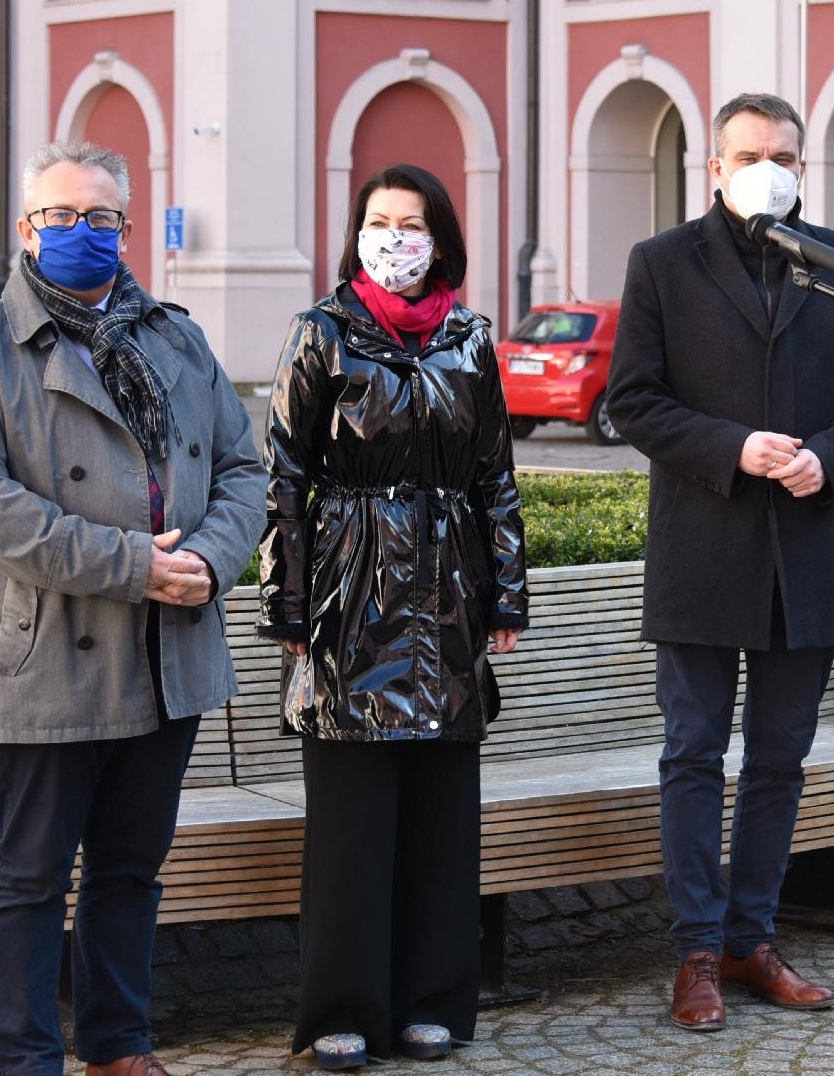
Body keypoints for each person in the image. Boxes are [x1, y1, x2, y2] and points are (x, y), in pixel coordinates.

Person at [0, 140, 266, 1076]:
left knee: (129, 869)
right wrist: (130, 565)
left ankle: (119, 1044)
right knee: (32, 877)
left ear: (126, 225)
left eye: (102, 217)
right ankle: (28, 1060)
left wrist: (208, 557)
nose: (82, 232)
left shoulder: (176, 337)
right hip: (51, 654)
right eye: (60, 216)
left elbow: (243, 468)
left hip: (171, 645)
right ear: (26, 229)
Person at [606, 93, 834, 1032]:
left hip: (807, 550)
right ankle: (697, 950)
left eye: (782, 153)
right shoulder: (661, 263)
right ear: (715, 167)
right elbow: (635, 402)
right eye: (748, 153)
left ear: (801, 166)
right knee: (693, 755)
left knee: (781, 761)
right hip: (704, 547)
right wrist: (733, 447)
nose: (765, 166)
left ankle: (753, 936)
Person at [257, 163, 528, 1070]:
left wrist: (509, 591)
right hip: (348, 597)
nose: (396, 238)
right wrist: (287, 600)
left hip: (448, 600)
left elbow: (495, 473)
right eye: (380, 221)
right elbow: (284, 476)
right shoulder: (322, 334)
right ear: (359, 232)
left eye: (413, 224)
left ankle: (431, 1001)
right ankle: (341, 1008)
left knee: (442, 815)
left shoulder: (470, 339)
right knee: (353, 822)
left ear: (441, 240)